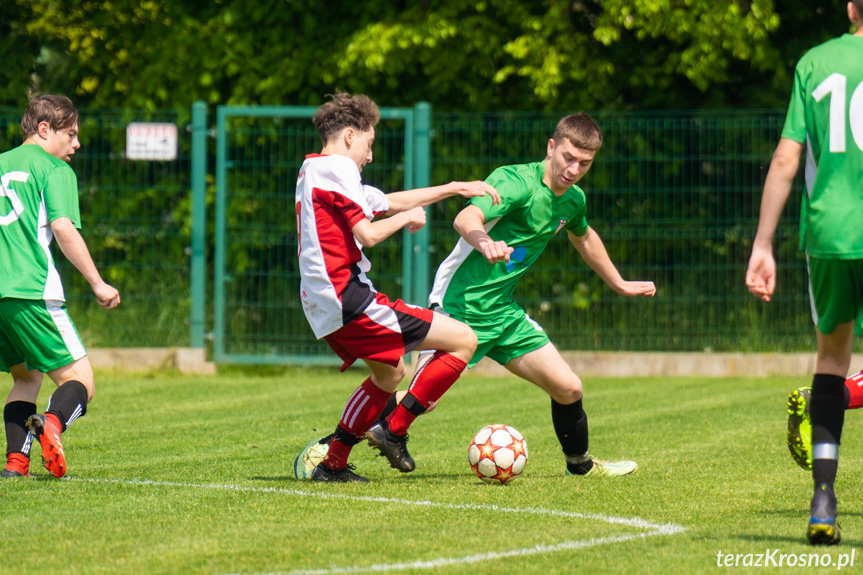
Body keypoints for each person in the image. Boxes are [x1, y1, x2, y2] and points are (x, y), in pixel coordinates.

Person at [300, 113, 656, 479]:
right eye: (568, 157)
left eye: (584, 163)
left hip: (503, 312)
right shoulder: (516, 182)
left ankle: (580, 466)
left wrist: (619, 283)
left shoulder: (572, 200)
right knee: (413, 393)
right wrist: (484, 240)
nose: (574, 169)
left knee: (568, 387)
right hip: (461, 303)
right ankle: (329, 450)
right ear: (551, 147)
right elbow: (466, 218)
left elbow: (583, 237)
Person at [292, 92, 500, 483]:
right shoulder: (337, 168)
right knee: (464, 340)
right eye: (370, 144)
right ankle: (393, 431)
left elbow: (386, 201)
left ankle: (333, 463)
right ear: (351, 135)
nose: (370, 156)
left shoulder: (315, 169)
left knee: (390, 375)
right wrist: (407, 219)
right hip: (347, 296)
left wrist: (454, 188)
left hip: (326, 301)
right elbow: (369, 233)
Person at [746, 0, 863, 545]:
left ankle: (823, 498)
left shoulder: (815, 62)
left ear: (849, 9)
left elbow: (788, 159)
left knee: (832, 359)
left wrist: (763, 243)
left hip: (830, 233)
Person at [1, 94, 121, 479]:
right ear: (43, 130)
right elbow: (62, 227)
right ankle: (51, 424)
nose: (76, 144)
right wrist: (97, 283)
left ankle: (16, 464)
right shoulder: (53, 169)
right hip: (31, 290)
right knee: (80, 381)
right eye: (70, 134)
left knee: (26, 378)